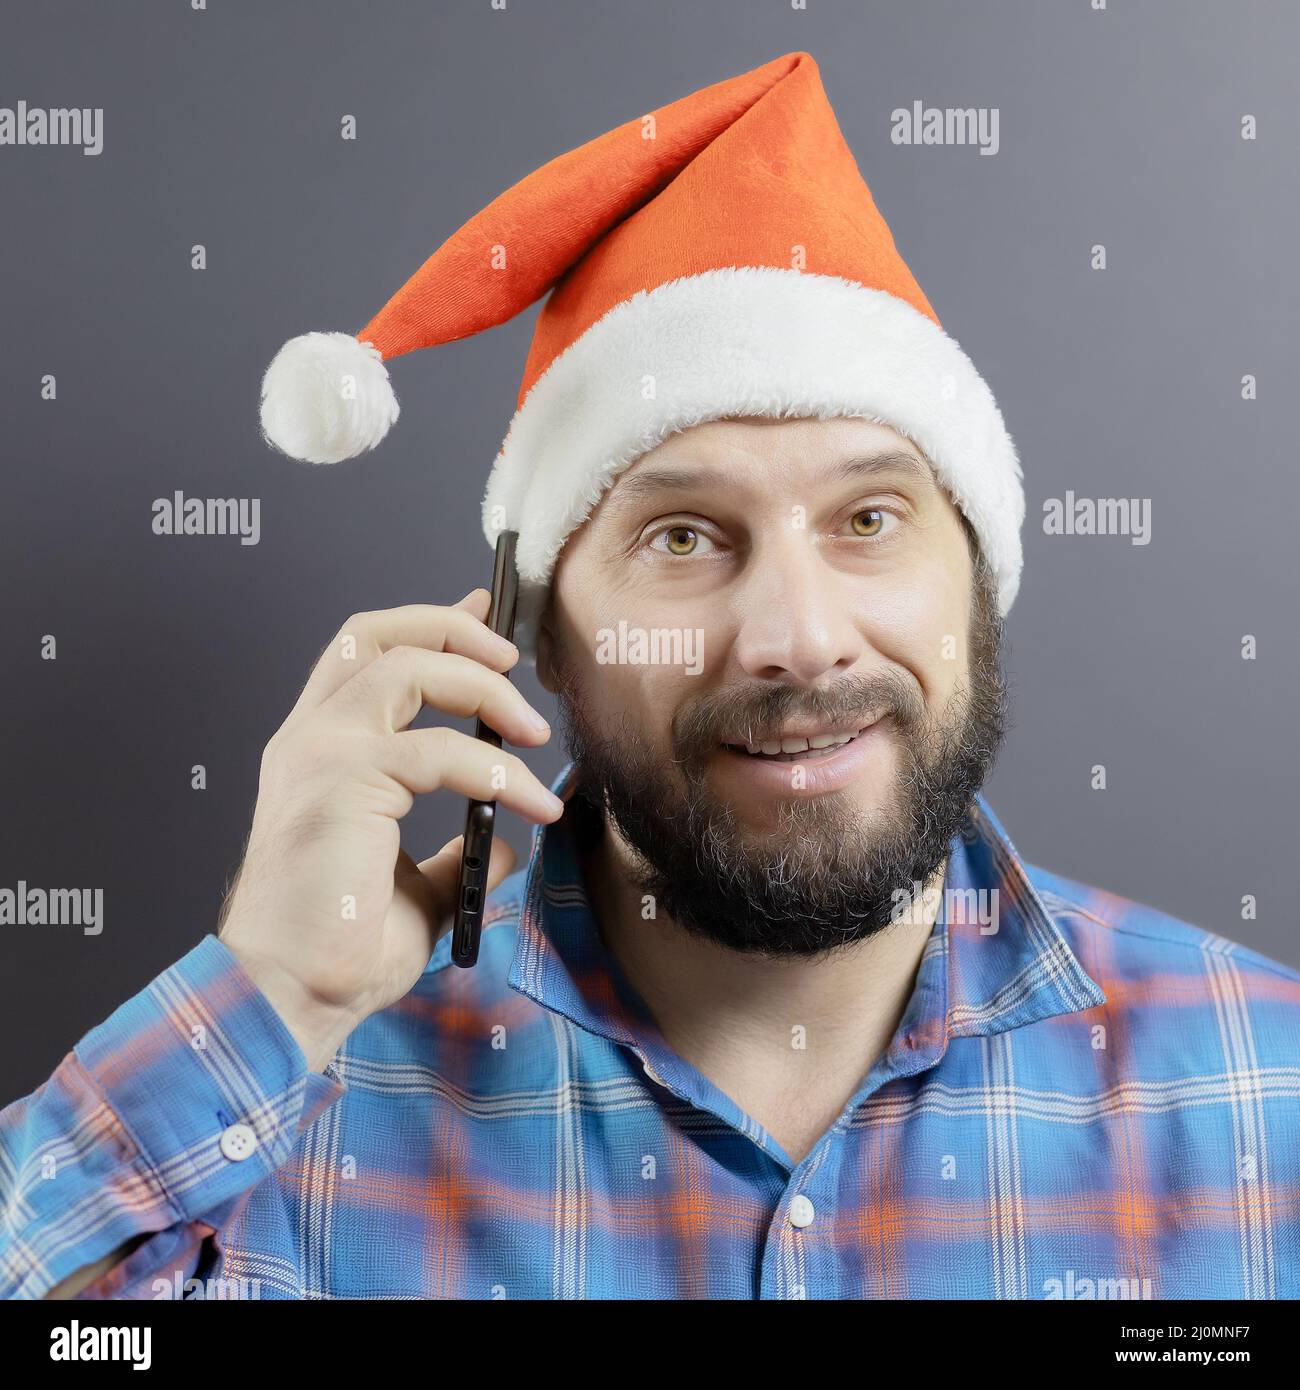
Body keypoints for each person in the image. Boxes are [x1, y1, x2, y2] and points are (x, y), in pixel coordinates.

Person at [5, 51, 1298, 1301]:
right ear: (536, 629)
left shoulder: (1263, 1085)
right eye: (682, 537)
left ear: (979, 578)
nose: (796, 636)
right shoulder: (278, 1110)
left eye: (869, 520)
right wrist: (273, 992)